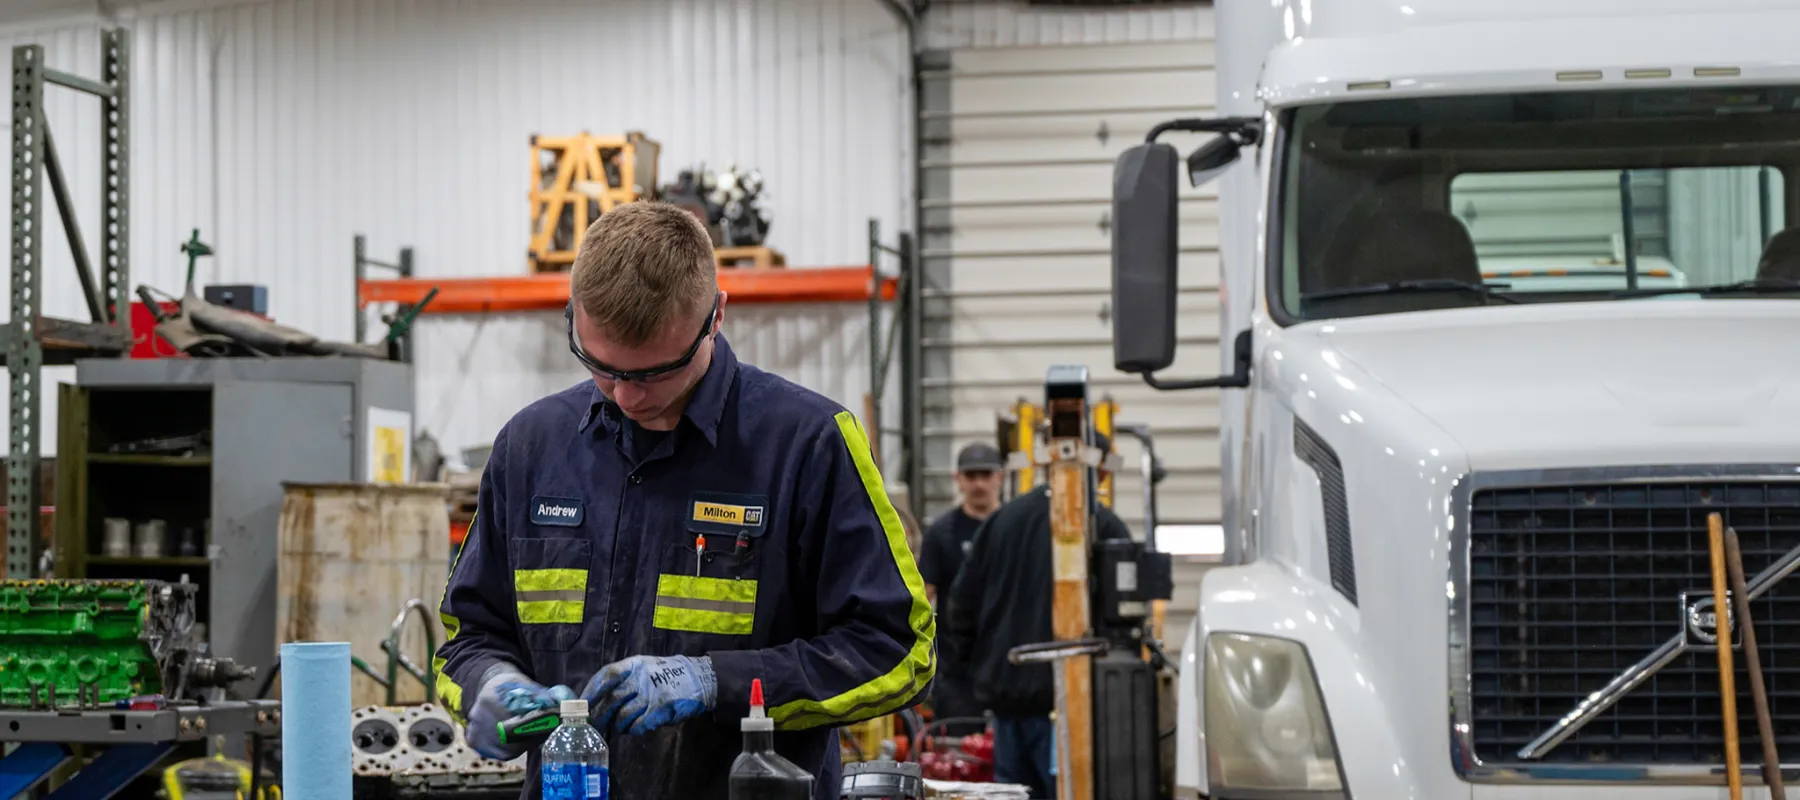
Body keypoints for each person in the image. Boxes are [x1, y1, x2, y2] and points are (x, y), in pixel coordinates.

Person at [433, 202, 936, 800]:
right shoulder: (530, 447)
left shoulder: (808, 445)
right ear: (573, 317)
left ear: (716, 316)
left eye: (654, 372)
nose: (625, 396)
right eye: (600, 365)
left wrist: (711, 682)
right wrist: (489, 681)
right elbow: (469, 635)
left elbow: (899, 652)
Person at [943, 435, 1129, 800]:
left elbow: (960, 605)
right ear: (1104, 470)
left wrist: (981, 668)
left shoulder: (1001, 521)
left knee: (1011, 793)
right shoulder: (1103, 525)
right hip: (1068, 706)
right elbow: (1122, 619)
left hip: (1005, 696)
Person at [916, 442, 1004, 733]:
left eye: (986, 475)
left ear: (999, 476)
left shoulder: (1013, 529)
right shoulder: (942, 533)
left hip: (1008, 666)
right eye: (971, 476)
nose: (979, 484)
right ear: (958, 479)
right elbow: (922, 598)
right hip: (958, 671)